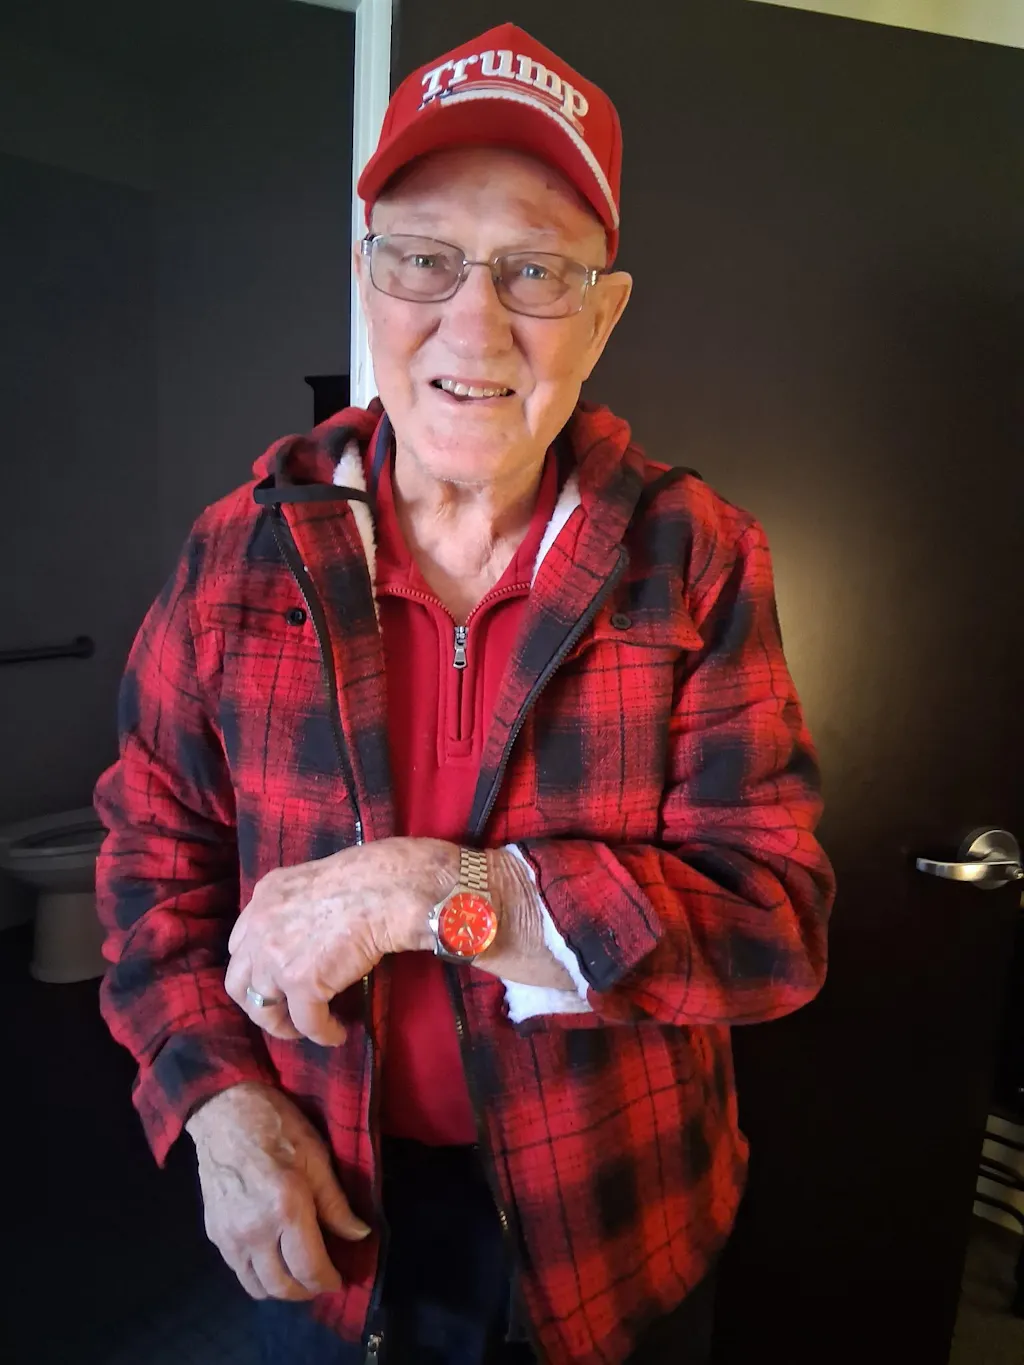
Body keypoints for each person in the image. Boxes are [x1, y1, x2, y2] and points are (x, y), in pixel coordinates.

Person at [94, 22, 835, 1365]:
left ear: (604, 314)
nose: (473, 324)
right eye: (424, 257)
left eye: (535, 270)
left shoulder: (700, 557)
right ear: (367, 278)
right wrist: (213, 1106)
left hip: (621, 1220)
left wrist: (426, 890)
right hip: (326, 1212)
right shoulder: (235, 554)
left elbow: (770, 925)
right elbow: (152, 869)